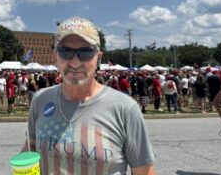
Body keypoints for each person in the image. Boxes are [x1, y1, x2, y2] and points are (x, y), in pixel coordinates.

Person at [22, 17, 155, 174]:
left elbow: (144, 170)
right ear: (55, 57)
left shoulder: (125, 108)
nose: (75, 62)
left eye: (85, 52)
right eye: (66, 52)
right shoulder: (40, 99)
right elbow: (29, 150)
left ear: (98, 57)